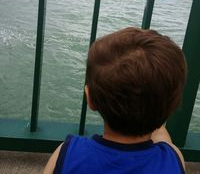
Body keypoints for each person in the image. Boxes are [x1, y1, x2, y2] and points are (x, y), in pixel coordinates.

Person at [43, 27, 187, 174]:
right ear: (171, 107)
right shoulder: (173, 159)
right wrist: (157, 108)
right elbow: (163, 139)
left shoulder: (68, 153)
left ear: (90, 99)